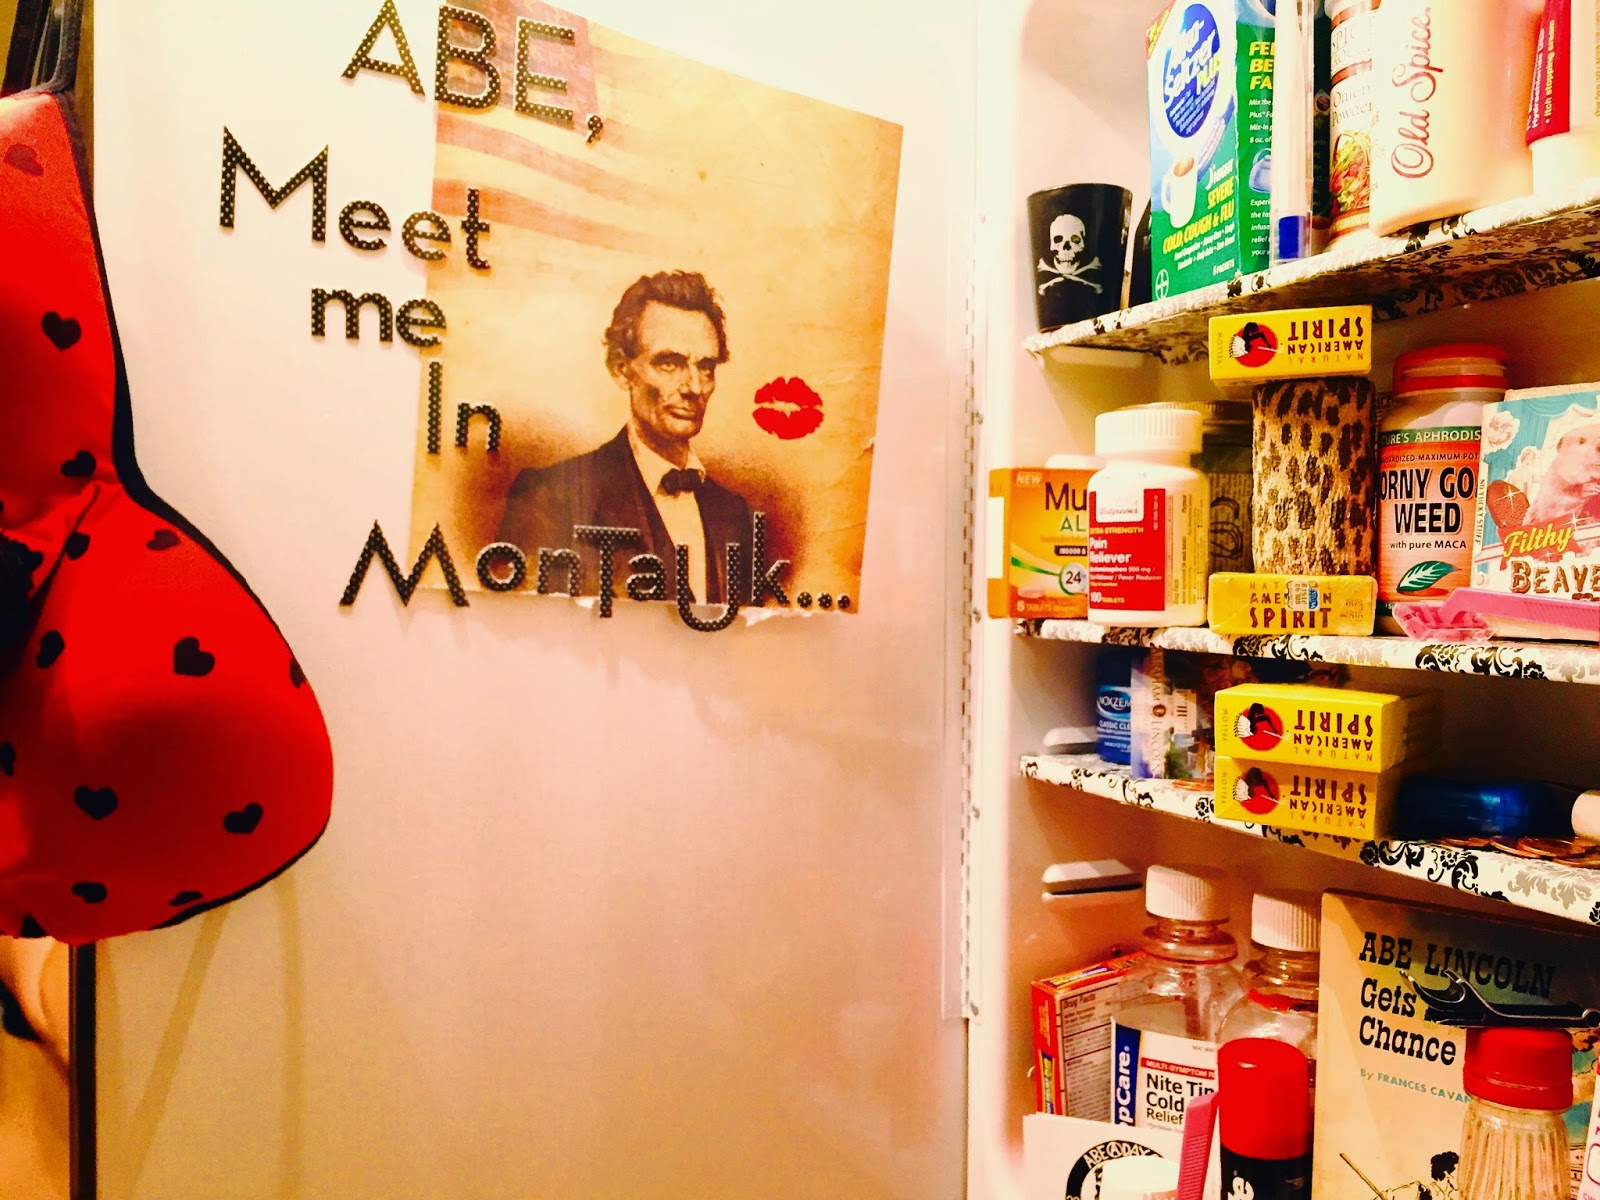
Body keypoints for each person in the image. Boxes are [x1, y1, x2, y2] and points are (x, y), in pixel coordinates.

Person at [497, 271, 753, 604]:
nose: (694, 387)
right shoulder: (549, 499)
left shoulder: (734, 514)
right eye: (669, 364)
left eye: (705, 367)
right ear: (621, 370)